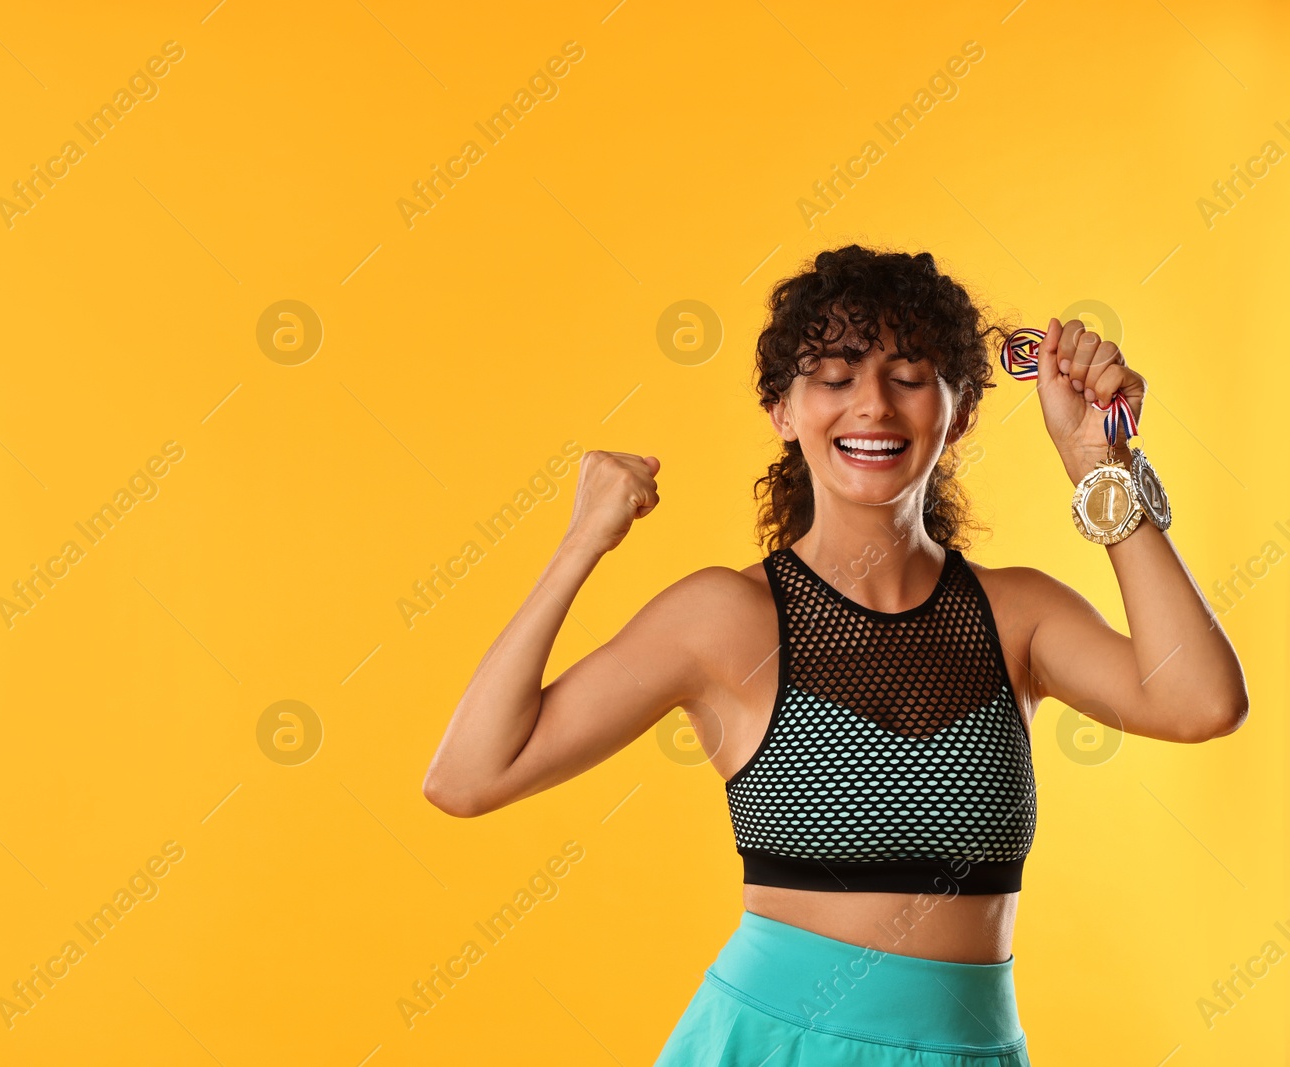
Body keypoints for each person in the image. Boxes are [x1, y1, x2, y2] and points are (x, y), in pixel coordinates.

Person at [421, 245, 1249, 1065]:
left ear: (958, 413)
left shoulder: (1018, 616)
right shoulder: (726, 619)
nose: (873, 407)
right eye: (836, 376)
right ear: (783, 410)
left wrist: (1100, 463)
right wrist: (582, 543)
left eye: (909, 375)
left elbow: (1200, 702)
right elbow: (467, 776)